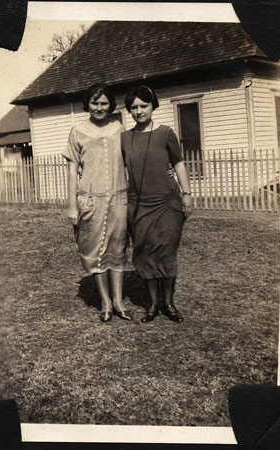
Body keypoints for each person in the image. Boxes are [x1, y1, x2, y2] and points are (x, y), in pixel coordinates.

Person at [121, 85, 192, 323]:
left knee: (166, 251)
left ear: (153, 106)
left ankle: (168, 304)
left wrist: (187, 193)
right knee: (144, 253)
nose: (139, 111)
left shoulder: (165, 132)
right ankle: (152, 305)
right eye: (134, 107)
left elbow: (179, 163)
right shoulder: (124, 137)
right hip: (138, 204)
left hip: (166, 202)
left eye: (144, 106)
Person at [63, 83, 132, 323]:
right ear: (88, 104)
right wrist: (72, 205)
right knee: (94, 250)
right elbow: (73, 171)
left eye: (104, 103)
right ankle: (105, 301)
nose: (99, 107)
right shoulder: (77, 131)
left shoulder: (119, 128)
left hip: (119, 197)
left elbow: (127, 164)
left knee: (118, 248)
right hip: (90, 199)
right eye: (95, 103)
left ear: (110, 105)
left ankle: (119, 301)